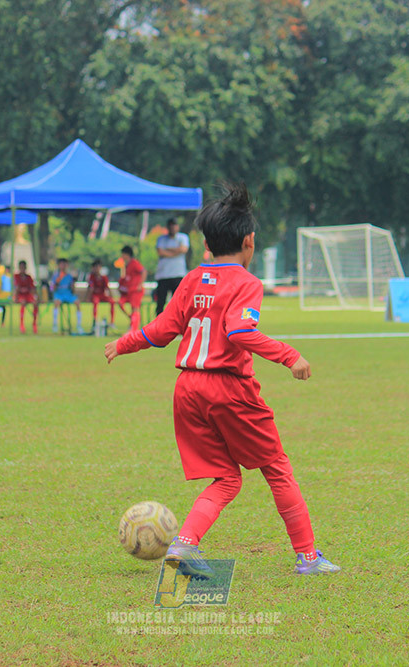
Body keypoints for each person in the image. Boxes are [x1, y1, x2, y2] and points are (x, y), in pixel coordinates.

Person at [104, 181, 340, 576]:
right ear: (249, 242)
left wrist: (124, 343)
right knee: (277, 468)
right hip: (227, 388)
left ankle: (183, 545)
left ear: (207, 244)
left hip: (187, 390)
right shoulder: (247, 283)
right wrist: (289, 355)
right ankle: (308, 558)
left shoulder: (191, 279)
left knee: (227, 478)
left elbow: (163, 330)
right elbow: (240, 333)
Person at [154, 218, 191, 315]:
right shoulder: (162, 239)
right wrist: (176, 251)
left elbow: (183, 249)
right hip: (163, 274)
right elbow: (160, 252)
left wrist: (168, 251)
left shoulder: (183, 237)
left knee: (178, 302)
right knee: (160, 302)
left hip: (177, 274)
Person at [117, 245, 146, 333]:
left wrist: (140, 284)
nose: (122, 256)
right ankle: (133, 323)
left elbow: (143, 271)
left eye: (123, 254)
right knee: (121, 303)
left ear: (127, 254)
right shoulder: (127, 265)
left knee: (135, 308)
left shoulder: (134, 263)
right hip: (130, 291)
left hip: (136, 290)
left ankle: (134, 329)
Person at [50, 258, 83, 334]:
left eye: (65, 264)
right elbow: (52, 288)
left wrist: (73, 285)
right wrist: (58, 281)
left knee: (77, 303)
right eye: (62, 264)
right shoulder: (55, 276)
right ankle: (55, 324)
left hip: (68, 294)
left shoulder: (69, 276)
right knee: (56, 303)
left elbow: (72, 290)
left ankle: (79, 325)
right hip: (59, 294)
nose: (63, 266)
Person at [85, 259, 115, 331]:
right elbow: (90, 289)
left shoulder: (103, 277)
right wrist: (88, 298)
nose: (97, 269)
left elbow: (107, 287)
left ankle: (112, 322)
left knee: (112, 302)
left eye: (98, 267)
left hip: (102, 295)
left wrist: (111, 296)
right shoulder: (91, 277)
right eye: (95, 267)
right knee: (95, 302)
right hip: (95, 295)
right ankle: (95, 321)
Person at [13, 260, 39, 334]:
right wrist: (15, 296)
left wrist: (36, 297)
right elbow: (16, 288)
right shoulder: (16, 276)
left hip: (27, 295)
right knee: (23, 303)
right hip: (20, 295)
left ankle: (34, 323)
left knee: (35, 303)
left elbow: (32, 288)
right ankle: (21, 324)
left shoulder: (29, 277)